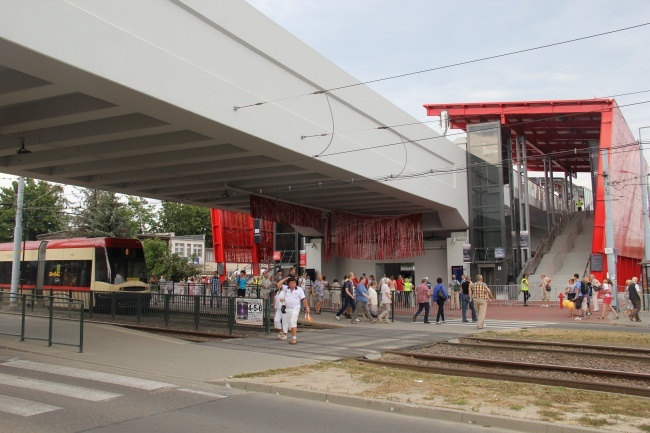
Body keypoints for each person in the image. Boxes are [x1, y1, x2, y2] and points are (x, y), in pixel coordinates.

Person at [276, 276, 309, 344]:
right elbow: (278, 284)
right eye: (291, 283)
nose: (293, 284)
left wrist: (307, 308)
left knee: (293, 321)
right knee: (290, 324)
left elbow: (303, 299)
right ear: (289, 284)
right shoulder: (286, 288)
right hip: (288, 309)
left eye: (294, 282)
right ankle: (292, 336)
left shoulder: (299, 290)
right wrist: (285, 278)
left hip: (295, 308)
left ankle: (294, 338)